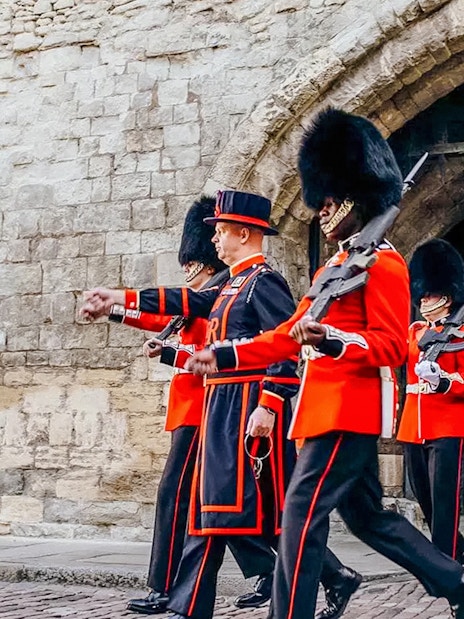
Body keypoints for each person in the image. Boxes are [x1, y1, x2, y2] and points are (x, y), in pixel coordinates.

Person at [183, 108, 464, 619]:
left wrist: (334, 340)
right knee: (370, 519)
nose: (321, 213)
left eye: (329, 203)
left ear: (354, 199)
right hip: (319, 412)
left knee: (298, 517)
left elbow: (393, 348)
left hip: (348, 412)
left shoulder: (383, 262)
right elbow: (284, 337)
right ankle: (456, 581)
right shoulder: (335, 267)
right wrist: (222, 353)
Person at [81, 190, 301, 619]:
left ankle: (312, 577)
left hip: (242, 408)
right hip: (220, 406)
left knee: (249, 511)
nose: (215, 240)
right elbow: (182, 305)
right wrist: (119, 299)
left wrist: (270, 404)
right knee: (213, 509)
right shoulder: (231, 284)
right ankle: (189, 600)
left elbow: (283, 347)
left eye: (220, 232)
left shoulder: (262, 280)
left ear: (242, 232)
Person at [397, 238, 464, 562]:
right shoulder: (414, 331)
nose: (424, 300)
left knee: (444, 502)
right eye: (421, 294)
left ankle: (445, 563)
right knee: (425, 499)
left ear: (448, 297)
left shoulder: (461, 333)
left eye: (431, 294)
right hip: (413, 425)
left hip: (448, 424)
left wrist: (444, 382)